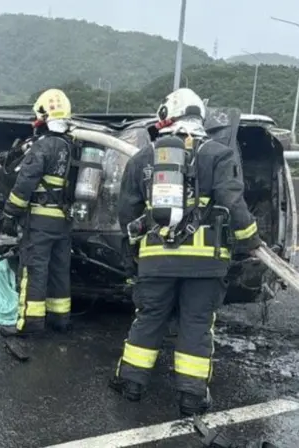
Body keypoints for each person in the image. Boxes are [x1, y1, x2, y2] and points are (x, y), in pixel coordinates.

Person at [109, 88, 263, 416]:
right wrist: (250, 241)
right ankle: (192, 396)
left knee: (149, 317)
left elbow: (127, 215)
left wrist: (134, 256)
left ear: (167, 115)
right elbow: (233, 203)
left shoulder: (143, 158)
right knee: (196, 323)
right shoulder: (219, 155)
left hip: (156, 260)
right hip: (206, 264)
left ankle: (131, 383)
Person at [0, 88, 77, 337]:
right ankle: (59, 319)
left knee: (34, 269)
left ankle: (29, 324)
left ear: (44, 116)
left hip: (40, 220)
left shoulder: (43, 146)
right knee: (59, 269)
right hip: (64, 221)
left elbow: (25, 183)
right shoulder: (72, 146)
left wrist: (10, 213)